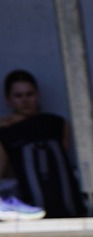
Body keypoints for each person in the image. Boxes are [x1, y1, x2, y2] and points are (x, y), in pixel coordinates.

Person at [0, 69, 81, 218]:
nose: (25, 101)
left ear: (37, 95)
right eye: (18, 96)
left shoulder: (56, 123)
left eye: (29, 94)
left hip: (63, 198)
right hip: (26, 202)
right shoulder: (5, 130)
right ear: (8, 99)